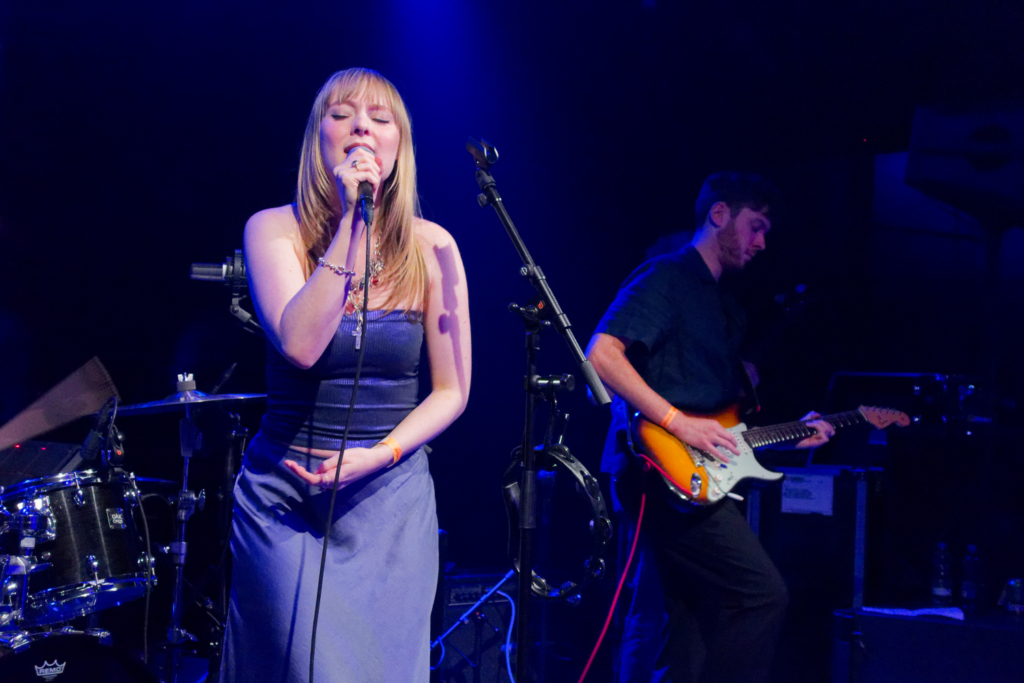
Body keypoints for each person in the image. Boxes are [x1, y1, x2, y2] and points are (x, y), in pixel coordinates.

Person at [221, 68, 471, 683]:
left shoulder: (433, 246)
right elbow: (302, 346)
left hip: (389, 500)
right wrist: (350, 226)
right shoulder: (272, 229)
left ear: (399, 147)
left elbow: (452, 390)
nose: (361, 125)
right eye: (342, 114)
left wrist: (380, 456)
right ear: (319, 139)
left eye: (380, 118)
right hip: (287, 499)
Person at [586, 172, 833, 683]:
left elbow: (723, 421)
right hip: (657, 469)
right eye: (756, 226)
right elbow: (602, 356)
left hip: (695, 472)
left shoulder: (726, 309)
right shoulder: (668, 276)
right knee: (761, 594)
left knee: (683, 620)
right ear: (719, 214)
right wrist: (680, 423)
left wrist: (792, 433)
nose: (763, 243)